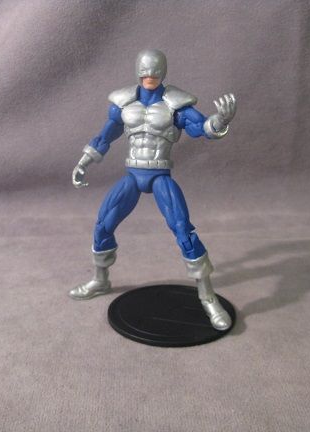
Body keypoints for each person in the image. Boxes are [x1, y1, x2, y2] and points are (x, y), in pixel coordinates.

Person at [70, 49, 236, 330]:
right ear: (138, 70)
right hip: (133, 175)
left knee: (183, 231)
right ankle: (100, 279)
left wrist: (221, 121)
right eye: (145, 71)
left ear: (163, 72)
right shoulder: (123, 104)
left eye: (155, 71)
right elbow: (104, 136)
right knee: (103, 224)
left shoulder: (176, 105)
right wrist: (83, 163)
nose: (150, 76)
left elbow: (201, 128)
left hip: (160, 175)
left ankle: (207, 297)